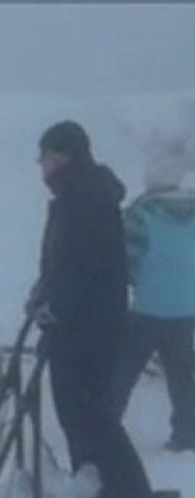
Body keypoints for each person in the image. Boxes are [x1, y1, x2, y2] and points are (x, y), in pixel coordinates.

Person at [26, 120, 156, 498]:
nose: (42, 166)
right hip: (83, 323)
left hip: (89, 327)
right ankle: (100, 490)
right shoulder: (79, 196)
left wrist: (56, 305)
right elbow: (63, 266)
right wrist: (42, 295)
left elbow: (82, 268)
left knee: (89, 413)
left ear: (63, 156)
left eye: (45, 157)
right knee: (82, 413)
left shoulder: (84, 200)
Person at [110, 151, 195, 451]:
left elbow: (127, 259)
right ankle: (187, 434)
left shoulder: (140, 213)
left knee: (124, 371)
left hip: (148, 309)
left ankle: (107, 426)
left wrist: (133, 280)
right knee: (183, 377)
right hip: (186, 308)